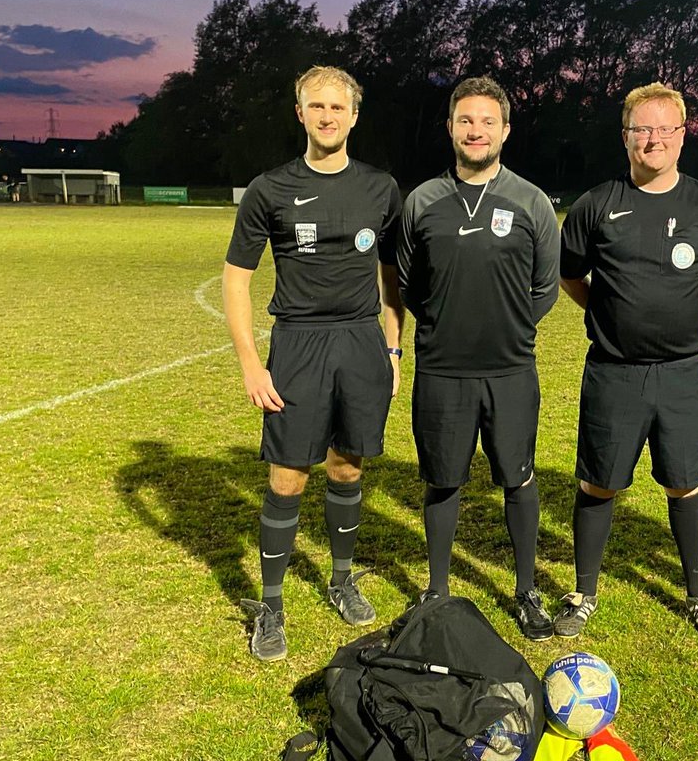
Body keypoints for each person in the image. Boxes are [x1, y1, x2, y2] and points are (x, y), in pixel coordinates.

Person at [223, 65, 404, 662]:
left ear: (355, 115)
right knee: (287, 475)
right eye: (316, 106)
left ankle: (341, 577)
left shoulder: (381, 187)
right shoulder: (269, 189)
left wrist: (394, 344)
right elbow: (235, 280)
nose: (328, 117)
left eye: (338, 107)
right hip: (297, 344)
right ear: (300, 113)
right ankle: (270, 605)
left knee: (348, 468)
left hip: (359, 343)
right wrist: (251, 362)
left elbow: (391, 276)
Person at [554, 82, 698, 642]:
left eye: (665, 128)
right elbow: (571, 275)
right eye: (642, 129)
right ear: (626, 137)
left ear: (683, 136)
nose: (653, 139)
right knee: (599, 484)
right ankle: (583, 593)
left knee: (685, 484)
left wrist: (680, 315)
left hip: (685, 374)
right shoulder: (595, 205)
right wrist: (612, 315)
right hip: (614, 373)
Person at [398, 76, 560, 640]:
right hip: (442, 370)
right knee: (444, 481)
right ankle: (437, 590)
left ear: (505, 130)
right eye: (466, 120)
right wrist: (448, 324)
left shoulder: (531, 201)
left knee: (518, 478)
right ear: (450, 127)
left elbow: (545, 287)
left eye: (487, 121)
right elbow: (408, 284)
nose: (476, 130)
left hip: (511, 369)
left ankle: (525, 589)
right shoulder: (422, 201)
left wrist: (506, 327)